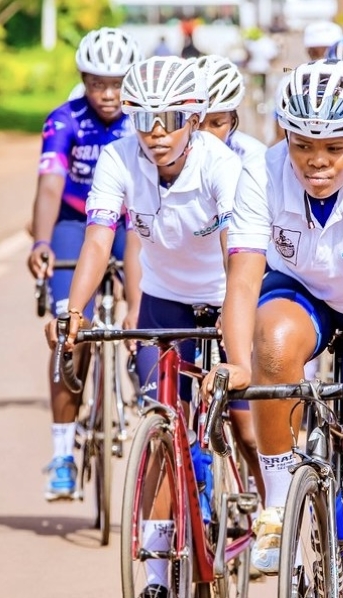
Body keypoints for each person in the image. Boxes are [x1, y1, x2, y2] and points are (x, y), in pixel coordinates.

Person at [204, 59, 343, 598]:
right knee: (272, 343)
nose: (317, 161)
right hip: (303, 296)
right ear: (284, 134)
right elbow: (243, 277)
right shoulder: (264, 170)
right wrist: (238, 362)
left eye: (334, 148)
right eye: (304, 145)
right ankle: (278, 505)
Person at [45, 55, 244, 598]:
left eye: (170, 120)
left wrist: (235, 328)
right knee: (159, 427)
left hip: (225, 294)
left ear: (195, 120)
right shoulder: (118, 158)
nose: (155, 134)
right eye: (144, 120)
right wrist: (74, 311)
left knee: (247, 425)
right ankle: (156, 574)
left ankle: (260, 505)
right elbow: (96, 239)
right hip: (164, 300)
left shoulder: (220, 164)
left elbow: (237, 253)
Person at [27, 27, 143, 501]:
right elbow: (51, 183)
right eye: (98, 82)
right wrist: (40, 240)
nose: (109, 93)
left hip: (130, 223)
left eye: (117, 82)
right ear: (83, 79)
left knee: (145, 311)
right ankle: (61, 454)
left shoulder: (143, 120)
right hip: (78, 222)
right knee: (69, 333)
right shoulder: (65, 119)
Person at [197, 53, 267, 494]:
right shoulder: (169, 156)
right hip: (185, 290)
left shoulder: (255, 160)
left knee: (247, 428)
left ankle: (272, 511)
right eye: (198, 123)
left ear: (235, 120)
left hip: (240, 288)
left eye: (218, 123)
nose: (207, 135)